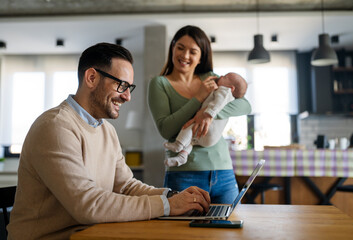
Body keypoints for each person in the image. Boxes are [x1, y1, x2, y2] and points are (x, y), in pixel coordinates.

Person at [7, 42, 210, 240]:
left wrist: (171, 196)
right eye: (121, 85)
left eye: (130, 87)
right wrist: (167, 206)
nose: (127, 97)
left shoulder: (107, 130)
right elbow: (88, 205)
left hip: (91, 234)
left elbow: (126, 187)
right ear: (92, 77)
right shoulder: (55, 127)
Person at [148, 25, 251, 204]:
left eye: (193, 51)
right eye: (180, 47)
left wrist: (208, 114)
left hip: (223, 172)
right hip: (184, 175)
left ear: (201, 56)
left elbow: (245, 105)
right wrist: (198, 99)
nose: (185, 56)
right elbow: (166, 129)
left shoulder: (211, 78)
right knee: (183, 232)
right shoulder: (159, 83)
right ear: (172, 47)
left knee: (230, 230)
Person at [163, 72, 248, 167]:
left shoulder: (225, 91)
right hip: (211, 138)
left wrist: (208, 114)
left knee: (190, 127)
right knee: (191, 141)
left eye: (226, 77)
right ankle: (182, 157)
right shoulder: (225, 93)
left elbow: (218, 103)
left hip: (209, 128)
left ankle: (178, 144)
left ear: (231, 88)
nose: (222, 76)